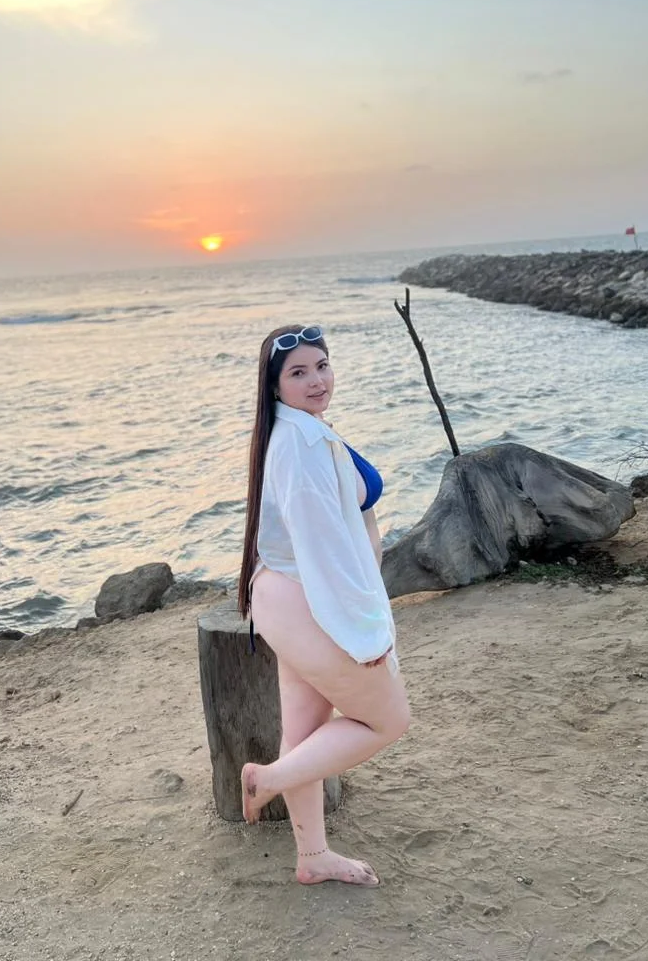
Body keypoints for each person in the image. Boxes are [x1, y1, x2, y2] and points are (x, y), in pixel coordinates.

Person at [238, 324, 411, 888]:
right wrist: (362, 635)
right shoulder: (300, 445)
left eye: (322, 366)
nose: (317, 380)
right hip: (306, 599)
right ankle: (267, 781)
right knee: (388, 720)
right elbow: (323, 551)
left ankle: (312, 857)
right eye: (298, 372)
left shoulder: (303, 430)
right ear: (274, 386)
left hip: (287, 596)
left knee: (305, 731)